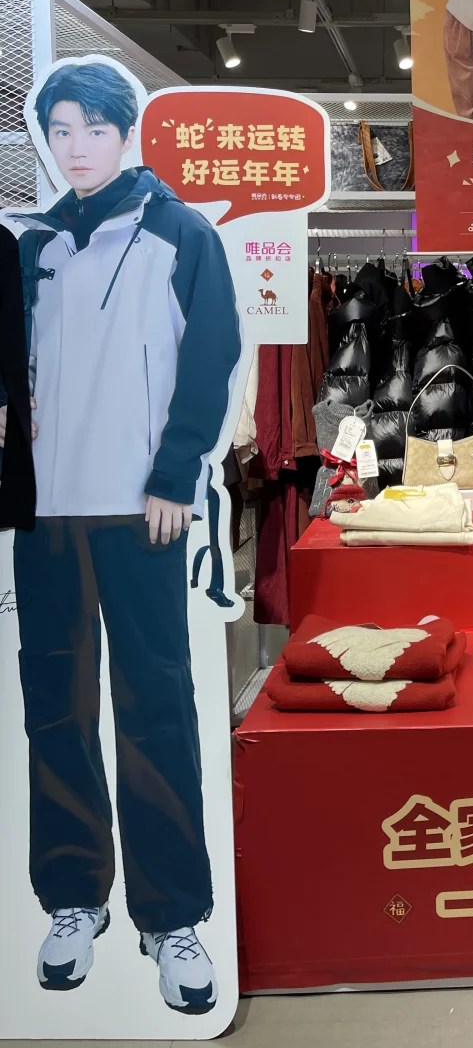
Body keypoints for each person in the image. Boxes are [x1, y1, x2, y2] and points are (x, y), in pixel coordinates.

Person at [3, 62, 242, 1015]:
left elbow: (213, 357)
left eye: (93, 129)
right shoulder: (33, 245)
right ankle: (73, 896)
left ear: (125, 133)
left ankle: (171, 914)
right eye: (59, 130)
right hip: (46, 514)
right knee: (54, 710)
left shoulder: (180, 234)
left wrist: (175, 473)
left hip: (142, 509)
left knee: (155, 708)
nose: (75, 147)